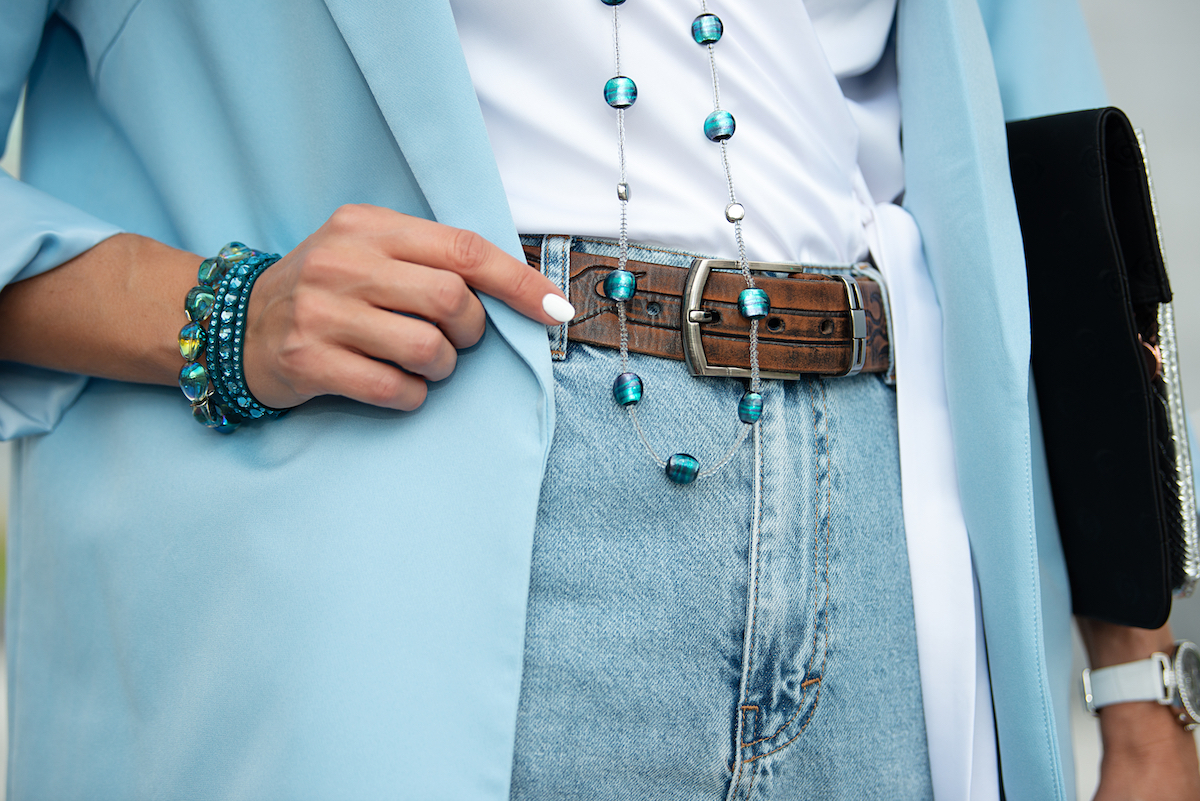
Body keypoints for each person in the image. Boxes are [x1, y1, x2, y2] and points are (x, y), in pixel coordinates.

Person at [0, 0, 1196, 798]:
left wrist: (1139, 689)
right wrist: (222, 312)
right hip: (412, 526)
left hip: (893, 540)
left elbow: (1059, 177)